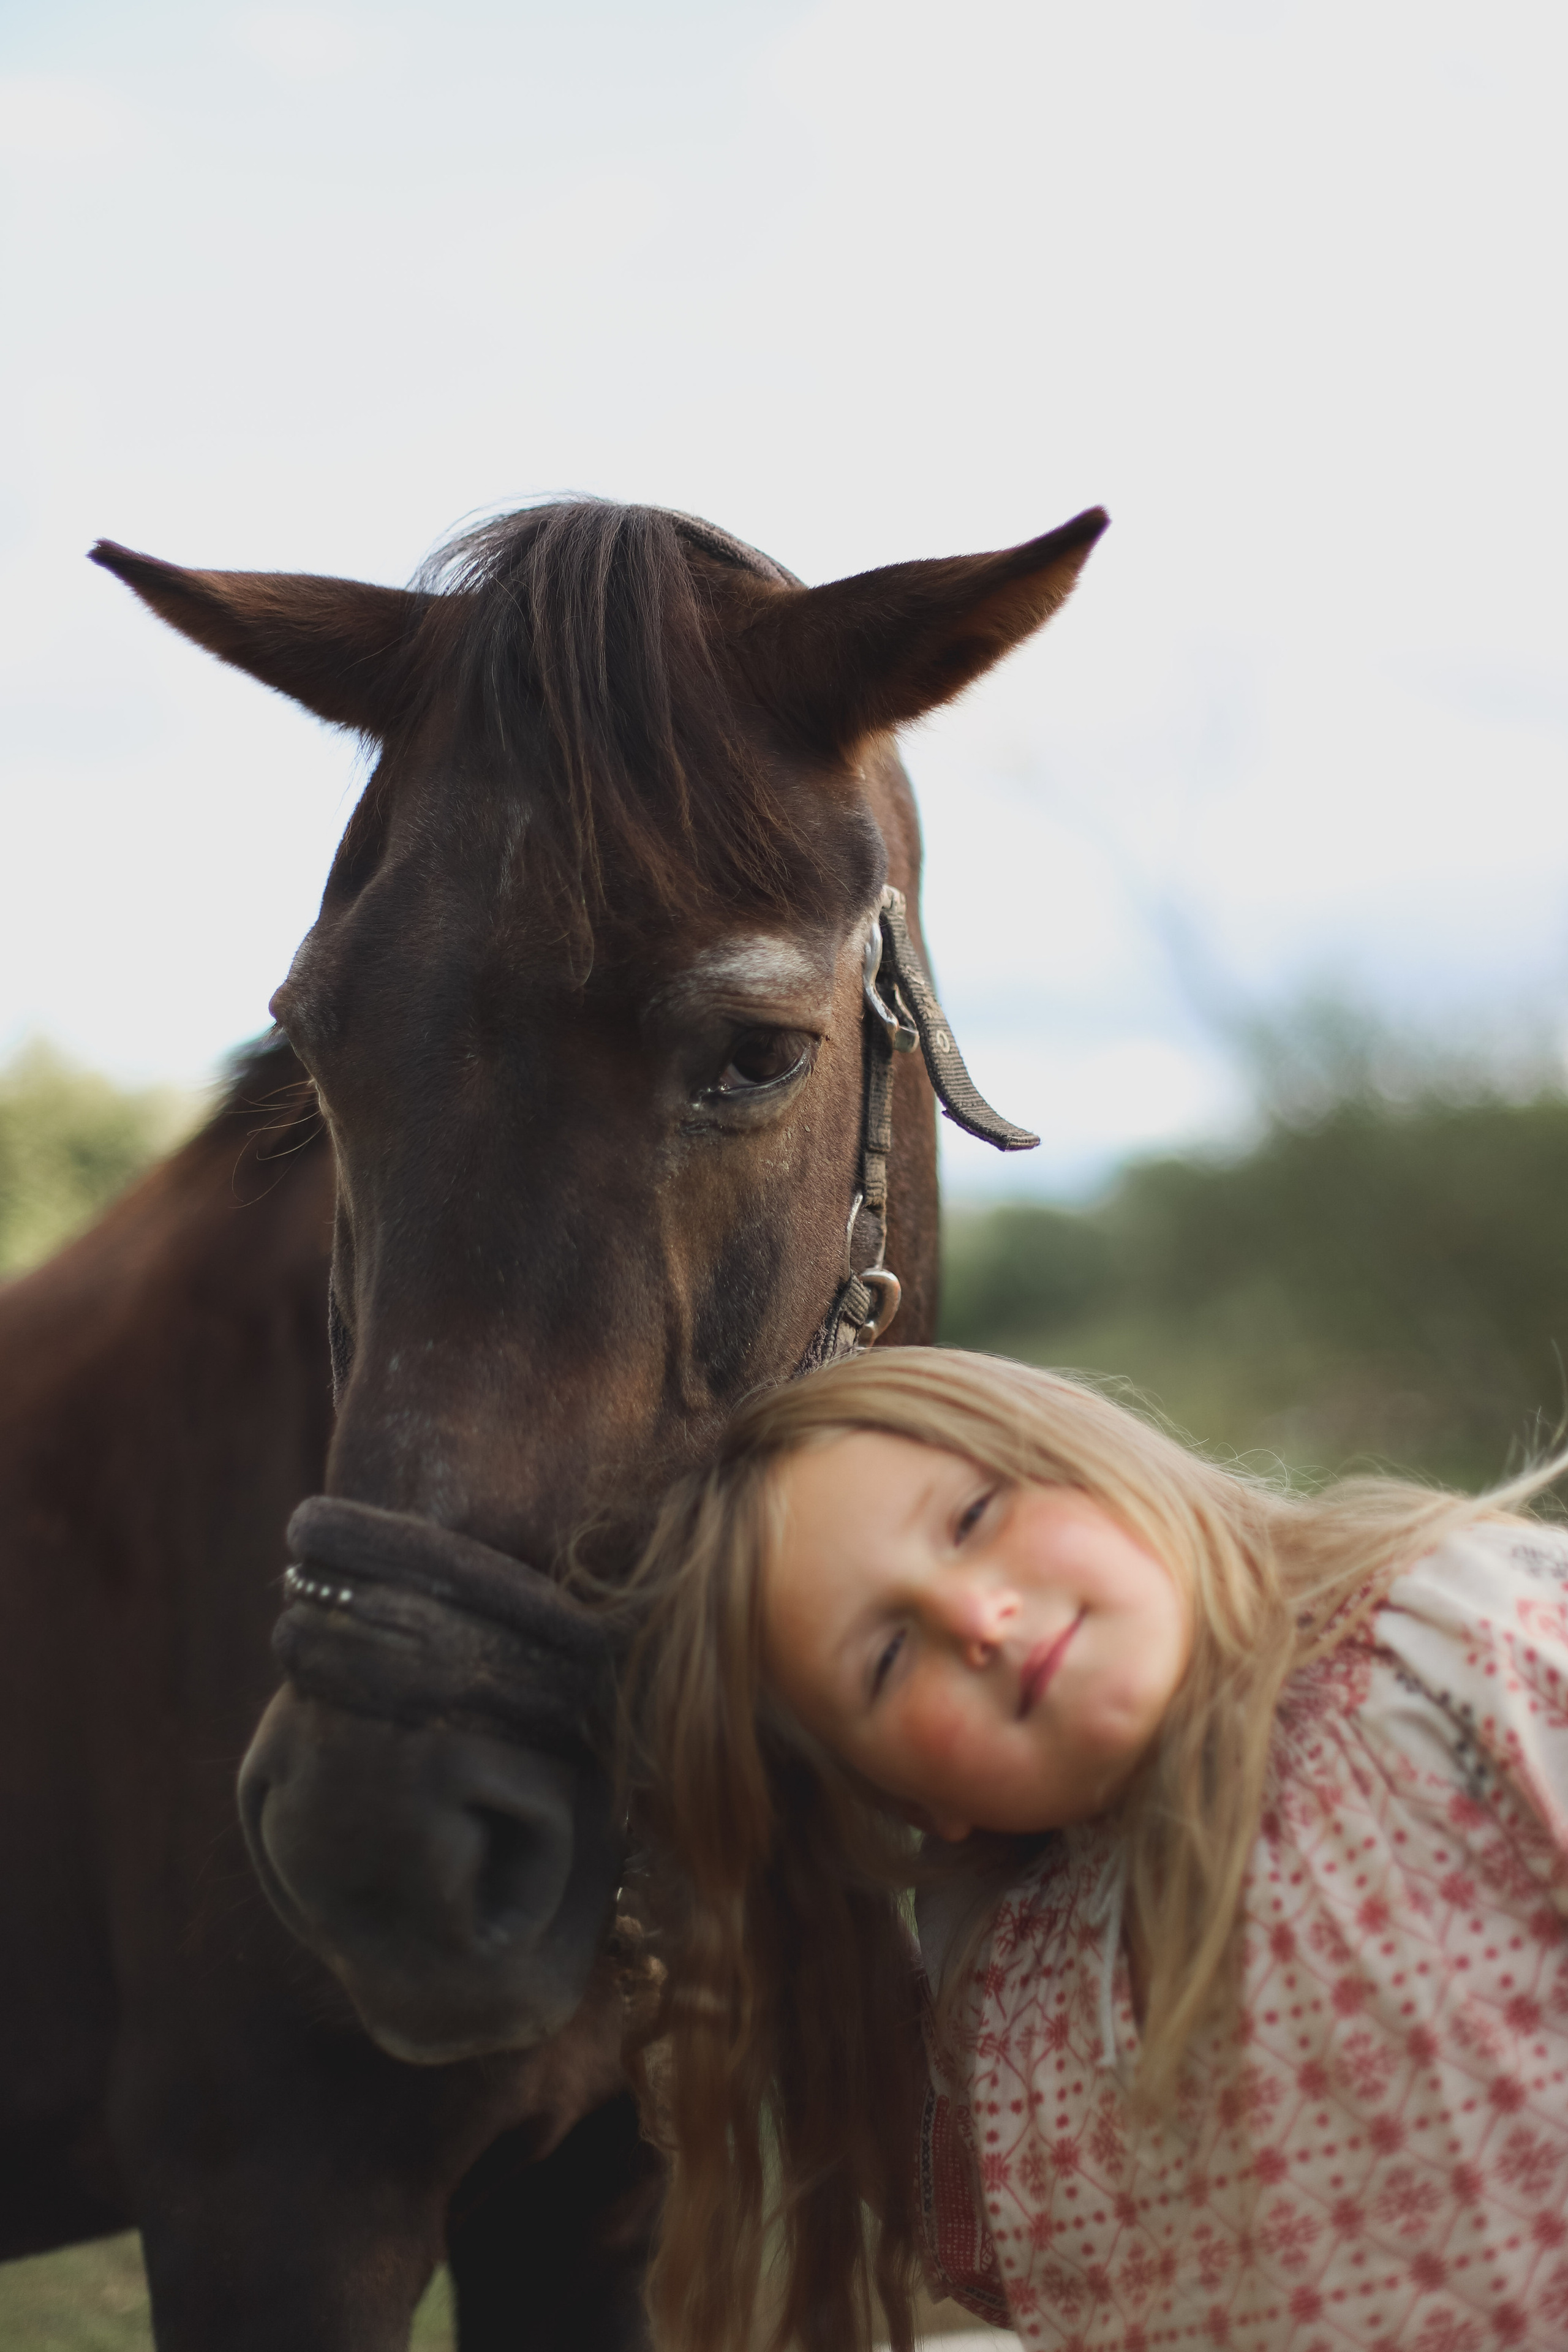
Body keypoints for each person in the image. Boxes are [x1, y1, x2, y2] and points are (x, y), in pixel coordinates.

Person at [616, 1347, 1568, 2352]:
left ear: (1086, 1457)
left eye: (974, 1519)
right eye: (889, 1658)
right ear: (916, 1799)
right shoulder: (995, 1992)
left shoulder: (1447, 1646)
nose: (978, 1617)